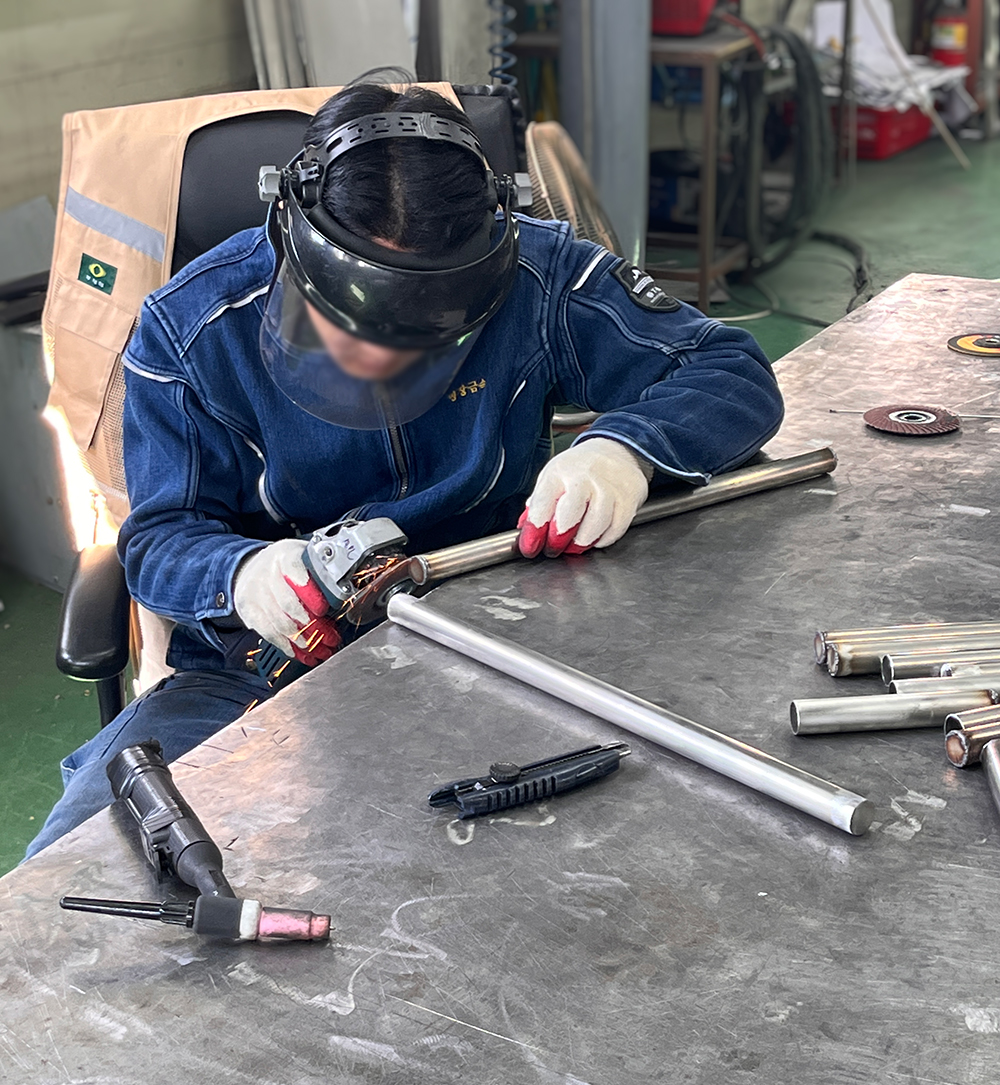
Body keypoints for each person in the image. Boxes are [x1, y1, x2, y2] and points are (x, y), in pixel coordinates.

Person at [23, 75, 783, 859]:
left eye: (423, 329)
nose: (383, 360)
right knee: (85, 862)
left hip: (500, 623)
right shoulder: (191, 329)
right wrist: (242, 575)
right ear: (297, 242)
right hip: (273, 664)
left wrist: (624, 448)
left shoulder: (536, 275)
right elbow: (159, 540)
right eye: (355, 323)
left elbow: (728, 369)